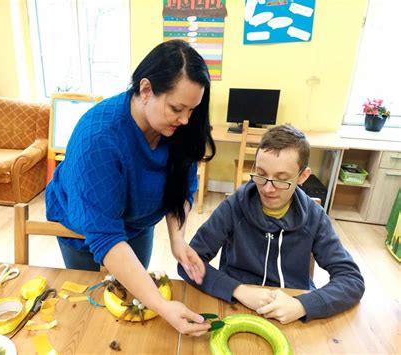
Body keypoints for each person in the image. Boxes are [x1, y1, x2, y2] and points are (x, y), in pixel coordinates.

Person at [46, 39, 215, 335]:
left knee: (131, 309)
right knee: (90, 317)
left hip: (137, 224)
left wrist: (177, 240)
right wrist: (163, 306)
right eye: (177, 108)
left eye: (192, 110)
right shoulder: (98, 138)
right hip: (87, 231)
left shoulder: (179, 127)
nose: (186, 119)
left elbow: (182, 189)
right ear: (146, 90)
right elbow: (106, 237)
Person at [178, 124, 365, 324]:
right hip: (235, 306)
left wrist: (302, 305)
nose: (267, 188)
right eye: (261, 174)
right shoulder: (233, 207)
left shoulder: (314, 217)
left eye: (281, 179)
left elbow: (351, 280)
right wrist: (238, 290)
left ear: (302, 176)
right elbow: (188, 263)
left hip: (292, 314)